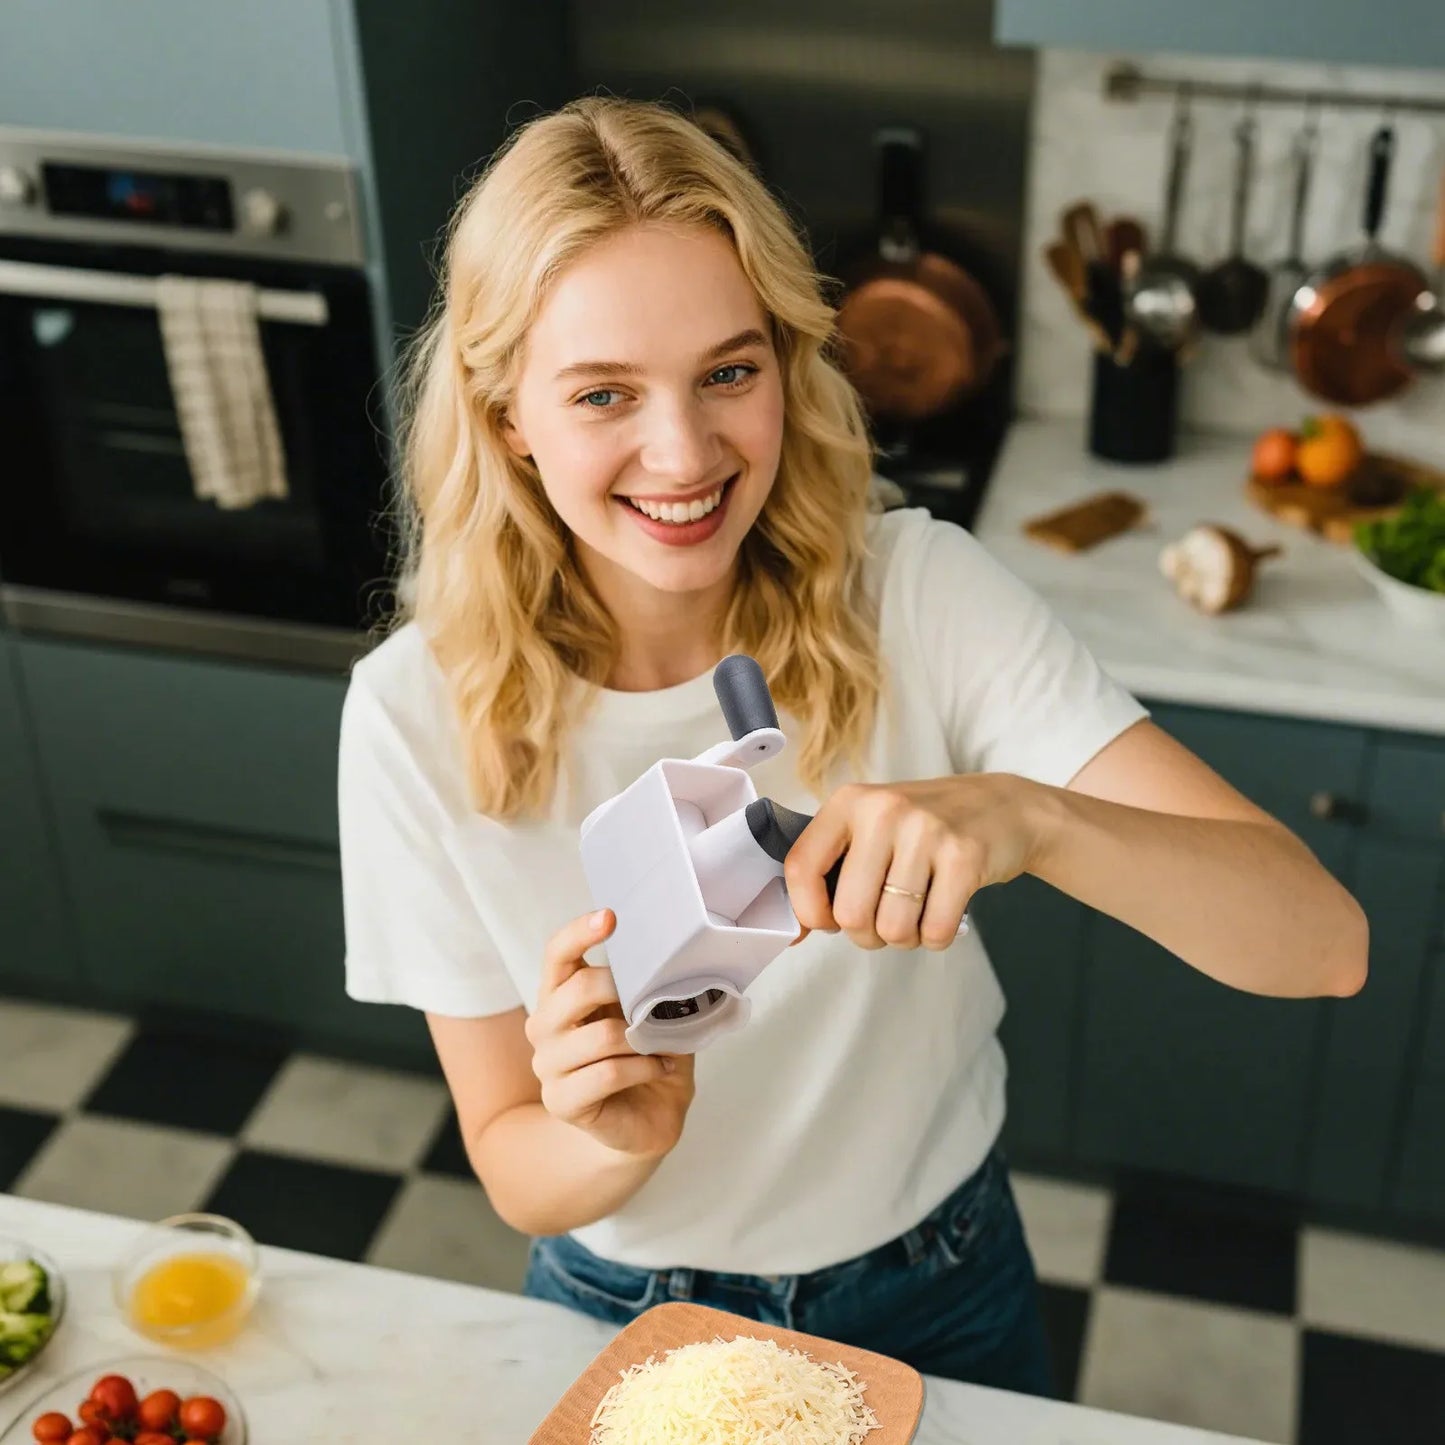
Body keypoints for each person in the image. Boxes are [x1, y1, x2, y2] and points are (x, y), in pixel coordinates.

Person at [337, 97, 1367, 1397]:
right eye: (604, 392)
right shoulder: (409, 713)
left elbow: (1323, 945)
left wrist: (1032, 819)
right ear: (506, 419)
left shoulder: (917, 594)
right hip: (619, 1304)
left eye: (729, 370)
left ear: (785, 359)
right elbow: (511, 1155)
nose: (684, 453)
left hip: (938, 1282)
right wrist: (615, 1138)